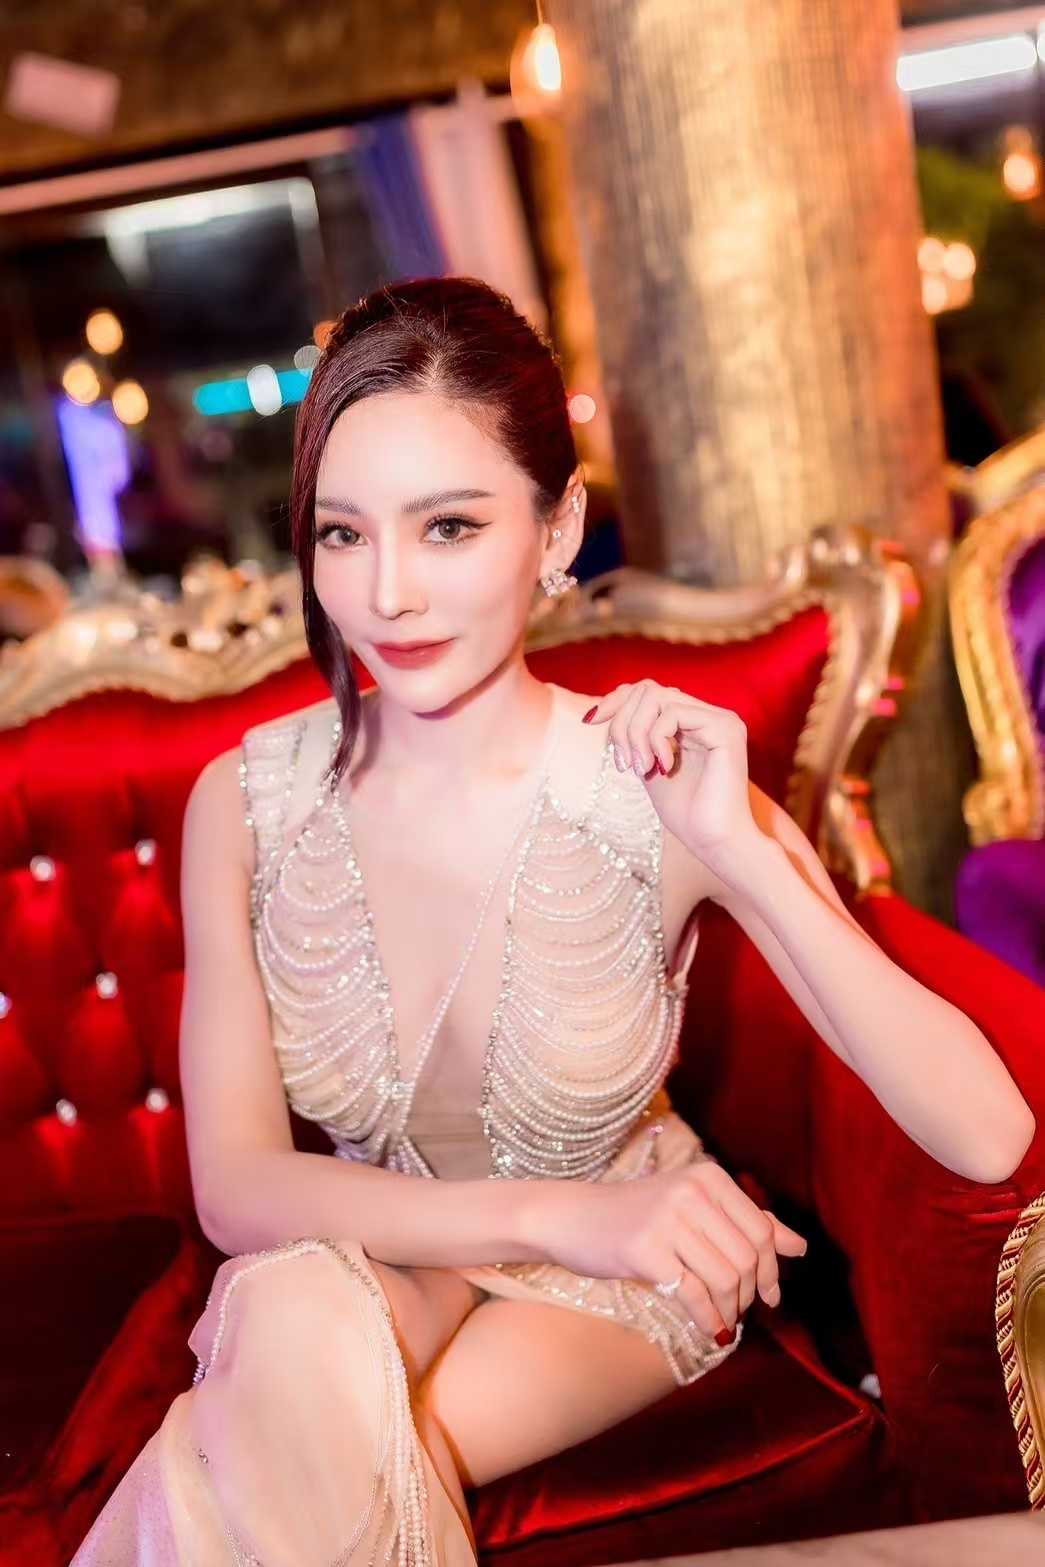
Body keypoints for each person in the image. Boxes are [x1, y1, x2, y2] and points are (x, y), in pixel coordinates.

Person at [72, 277, 1035, 1566]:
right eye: (343, 533)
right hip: (397, 1242)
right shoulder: (242, 803)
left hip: (627, 1275)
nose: (389, 594)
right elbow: (239, 1188)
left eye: (449, 526)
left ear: (557, 525)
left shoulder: (650, 787)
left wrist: (741, 855)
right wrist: (555, 1216)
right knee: (292, 1316)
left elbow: (987, 1135)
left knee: (286, 1445)